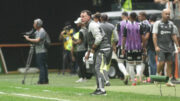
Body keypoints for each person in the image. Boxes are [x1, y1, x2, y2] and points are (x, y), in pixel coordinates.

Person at [80, 10, 111, 95]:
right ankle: (99, 88)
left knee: (98, 68)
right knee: (95, 69)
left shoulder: (92, 25)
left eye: (84, 16)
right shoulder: (88, 25)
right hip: (99, 49)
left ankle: (102, 90)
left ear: (89, 17)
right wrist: (89, 53)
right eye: (81, 16)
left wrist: (92, 49)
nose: (81, 18)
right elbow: (91, 41)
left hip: (102, 49)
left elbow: (98, 38)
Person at [153, 9, 180, 86]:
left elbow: (173, 35)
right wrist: (156, 46)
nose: (168, 15)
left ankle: (167, 81)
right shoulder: (157, 23)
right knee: (161, 63)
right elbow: (154, 36)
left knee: (170, 63)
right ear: (162, 14)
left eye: (169, 14)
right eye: (166, 14)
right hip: (160, 47)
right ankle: (157, 76)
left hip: (170, 47)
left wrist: (177, 45)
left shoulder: (171, 24)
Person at [122, 12, 144, 86]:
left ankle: (133, 81)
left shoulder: (126, 26)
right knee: (138, 63)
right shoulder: (139, 25)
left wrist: (122, 47)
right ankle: (138, 74)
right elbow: (142, 37)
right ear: (136, 17)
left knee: (130, 64)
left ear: (129, 17)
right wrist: (143, 46)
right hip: (138, 47)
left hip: (129, 47)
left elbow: (124, 37)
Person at [24, 18, 49, 84]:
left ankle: (41, 81)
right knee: (43, 66)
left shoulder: (42, 31)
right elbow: (33, 35)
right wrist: (28, 35)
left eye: (34, 23)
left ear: (38, 24)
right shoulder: (37, 31)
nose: (33, 24)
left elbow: (37, 40)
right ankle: (45, 80)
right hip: (39, 51)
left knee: (41, 66)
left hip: (42, 51)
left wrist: (28, 39)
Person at [100, 14, 119, 86]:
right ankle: (105, 79)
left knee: (101, 65)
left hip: (101, 47)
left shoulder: (98, 26)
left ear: (101, 18)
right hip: (109, 48)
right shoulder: (112, 26)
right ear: (107, 19)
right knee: (106, 65)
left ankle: (106, 80)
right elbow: (116, 38)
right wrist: (112, 44)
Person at [71, 17, 88, 83]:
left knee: (80, 64)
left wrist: (74, 41)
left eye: (78, 23)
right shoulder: (86, 29)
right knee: (83, 64)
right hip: (85, 48)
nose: (77, 24)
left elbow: (80, 41)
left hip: (80, 49)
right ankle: (84, 77)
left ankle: (83, 77)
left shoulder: (81, 31)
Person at [116, 12, 129, 85]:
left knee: (120, 62)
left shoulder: (119, 24)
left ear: (122, 16)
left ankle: (125, 73)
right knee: (128, 62)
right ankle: (128, 78)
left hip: (121, 44)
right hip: (131, 46)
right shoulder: (132, 24)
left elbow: (118, 35)